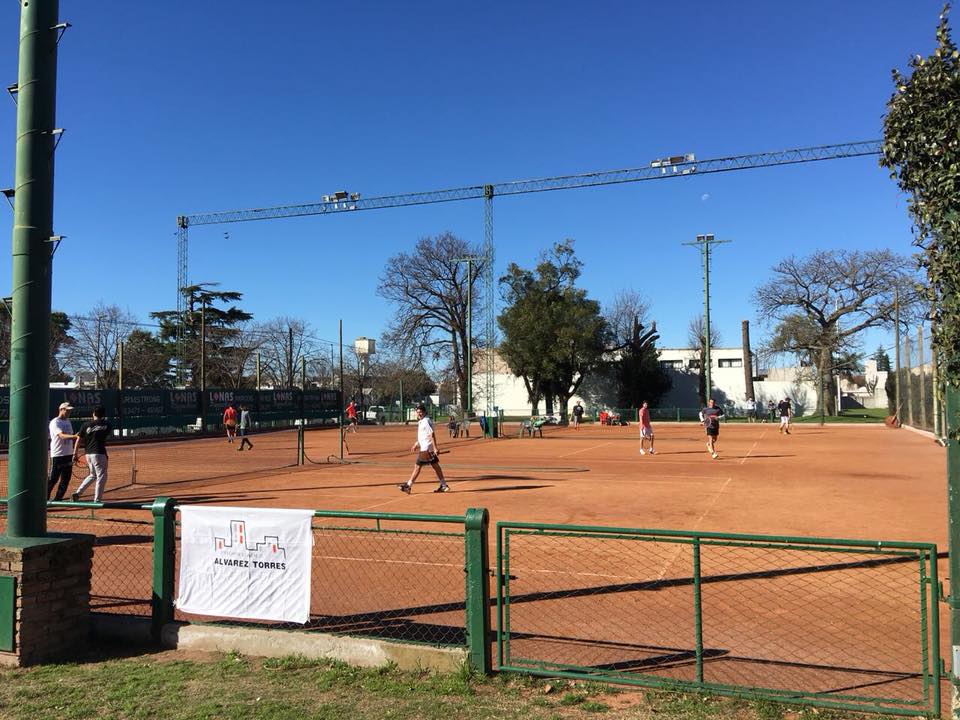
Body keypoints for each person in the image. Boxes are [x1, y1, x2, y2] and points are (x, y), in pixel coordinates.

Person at [398, 404, 449, 494]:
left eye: (420, 412)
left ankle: (408, 486)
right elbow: (423, 436)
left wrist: (435, 448)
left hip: (426, 449)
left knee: (417, 467)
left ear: (424, 412)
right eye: (417, 412)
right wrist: (416, 444)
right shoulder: (422, 421)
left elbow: (431, 434)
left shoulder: (425, 421)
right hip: (427, 448)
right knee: (436, 466)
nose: (419, 414)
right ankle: (444, 485)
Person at [71, 405, 111, 503]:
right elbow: (105, 434)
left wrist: (75, 453)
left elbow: (79, 439)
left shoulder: (85, 425)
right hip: (99, 453)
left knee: (93, 475)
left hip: (88, 454)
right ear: (103, 414)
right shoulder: (107, 425)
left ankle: (77, 493)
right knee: (101, 476)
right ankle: (97, 500)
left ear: (93, 414)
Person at [48, 402, 79, 501]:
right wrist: (75, 436)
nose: (69, 412)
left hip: (68, 455)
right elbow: (61, 436)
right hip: (58, 455)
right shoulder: (55, 422)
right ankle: (44, 499)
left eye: (70, 411)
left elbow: (71, 437)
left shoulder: (68, 422)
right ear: (61, 409)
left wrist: (74, 453)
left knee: (66, 479)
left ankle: (58, 499)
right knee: (53, 479)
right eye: (67, 410)